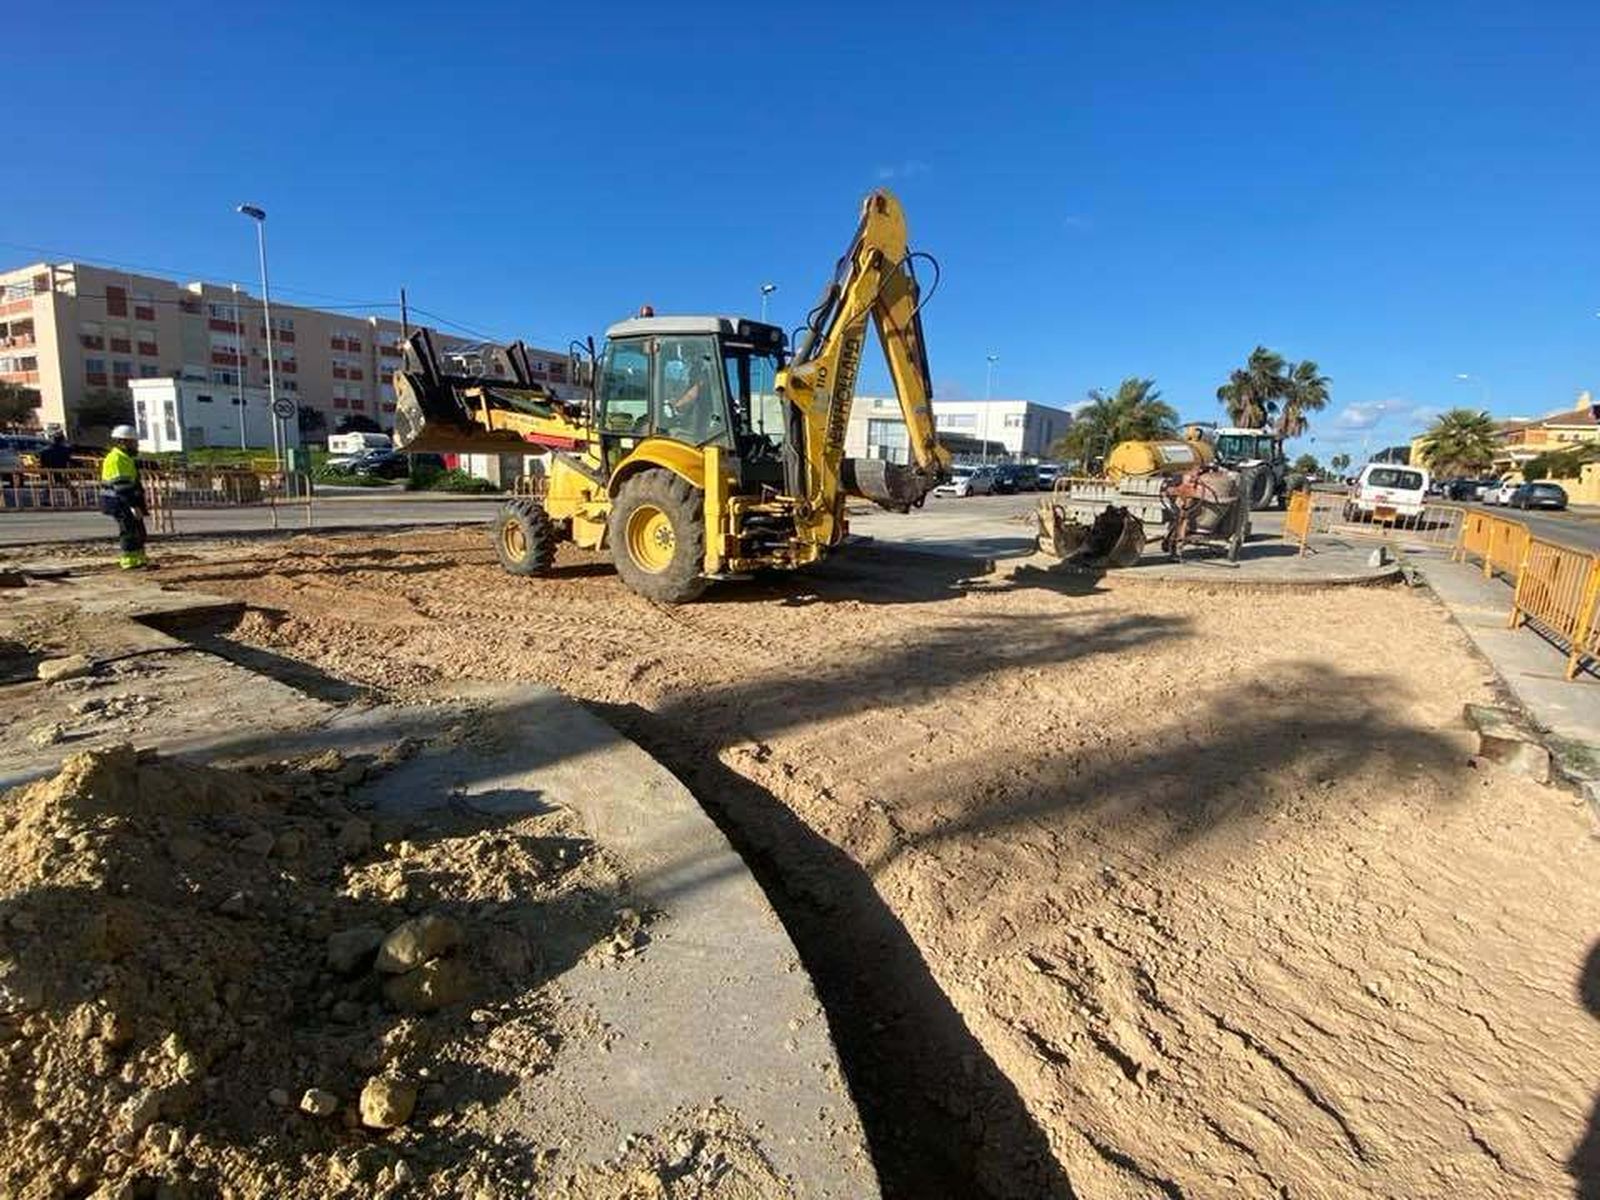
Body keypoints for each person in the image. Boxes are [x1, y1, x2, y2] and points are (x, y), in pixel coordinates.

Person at [100, 425, 149, 570]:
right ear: (123, 442)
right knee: (129, 531)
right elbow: (122, 486)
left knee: (137, 530)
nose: (136, 445)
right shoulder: (116, 459)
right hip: (119, 501)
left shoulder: (124, 458)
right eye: (134, 442)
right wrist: (133, 506)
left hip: (124, 500)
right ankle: (130, 562)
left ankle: (139, 559)